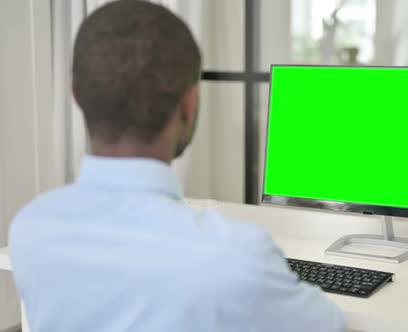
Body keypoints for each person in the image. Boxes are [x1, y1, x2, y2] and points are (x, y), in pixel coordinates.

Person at [8, 1, 346, 331]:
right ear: (189, 103)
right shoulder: (236, 257)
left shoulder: (30, 229)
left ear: (76, 95)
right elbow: (331, 325)